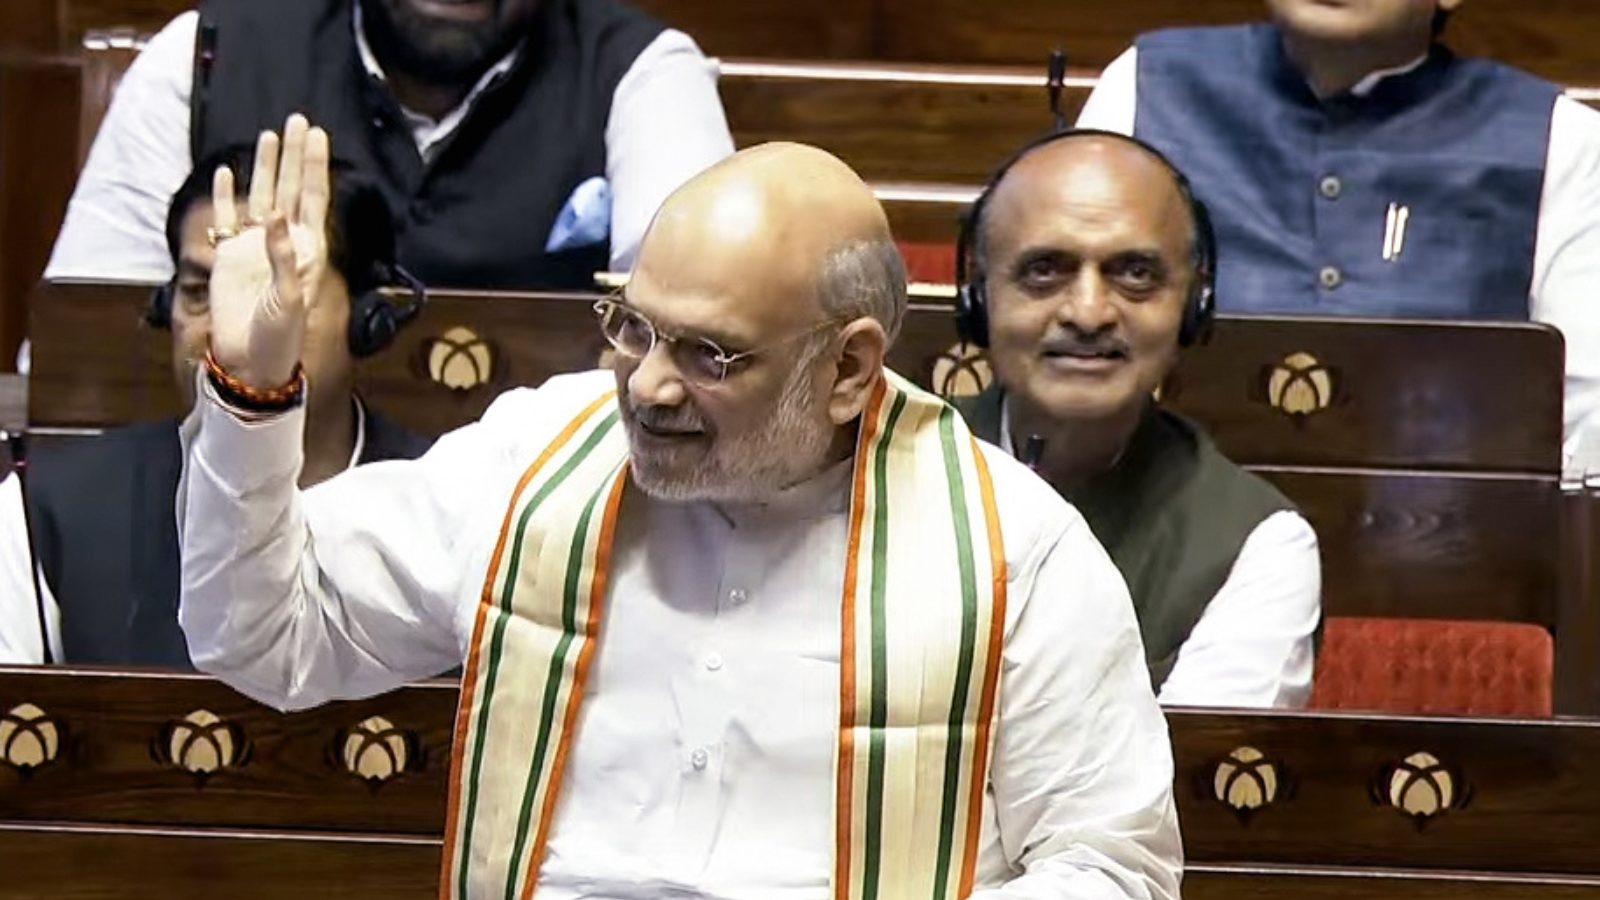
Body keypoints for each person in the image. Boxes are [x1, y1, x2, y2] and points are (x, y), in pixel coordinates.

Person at [177, 117, 1181, 898]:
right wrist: (252, 389)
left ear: (847, 369)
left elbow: (1113, 869)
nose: (650, 386)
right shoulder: (537, 458)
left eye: (711, 354)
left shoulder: (1013, 549)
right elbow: (263, 638)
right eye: (633, 328)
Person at [1076, 0, 1600, 458]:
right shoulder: (1147, 86)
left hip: (1450, 522)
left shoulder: (1558, 138)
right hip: (1167, 510)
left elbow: (1585, 418)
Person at [0, 138, 433, 666]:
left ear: (367, 320)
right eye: (199, 291)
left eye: (274, 287)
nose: (232, 326)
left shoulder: (443, 508)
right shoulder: (43, 507)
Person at [954, 130, 1322, 708]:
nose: (1089, 313)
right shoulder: (868, 480)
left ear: (1194, 305)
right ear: (979, 298)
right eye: (1044, 270)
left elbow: (1184, 765)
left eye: (1135, 274)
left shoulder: (1257, 546)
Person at [46, 0, 734, 290]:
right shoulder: (206, 55)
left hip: (527, 520)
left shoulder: (643, 72)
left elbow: (701, 341)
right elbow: (89, 352)